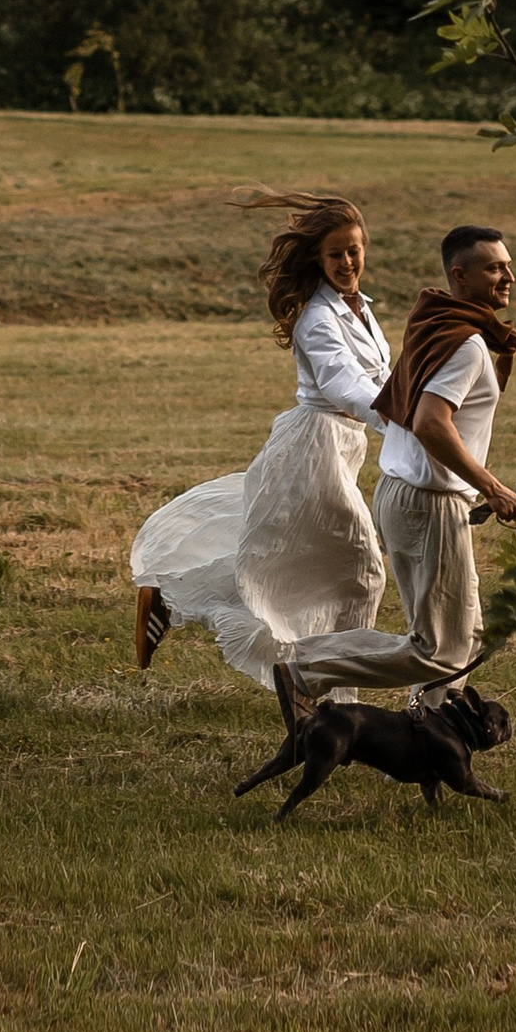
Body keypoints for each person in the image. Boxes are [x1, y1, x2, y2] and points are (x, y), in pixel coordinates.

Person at [275, 224, 516, 716]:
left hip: (409, 494)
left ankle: (432, 733)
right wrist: (493, 487)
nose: (509, 276)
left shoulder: (438, 323)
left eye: (507, 265)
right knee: (436, 649)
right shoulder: (464, 343)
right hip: (427, 502)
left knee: (463, 635)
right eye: (496, 268)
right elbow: (431, 424)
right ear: (461, 276)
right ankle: (305, 668)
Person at [129, 197, 391, 691]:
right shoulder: (317, 318)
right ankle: (337, 700)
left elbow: (381, 376)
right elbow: (343, 386)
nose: (347, 263)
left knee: (286, 559)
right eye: (336, 254)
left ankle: (168, 597)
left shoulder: (363, 310)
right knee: (361, 569)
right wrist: (400, 421)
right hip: (314, 449)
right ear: (318, 258)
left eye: (354, 251)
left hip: (342, 448)